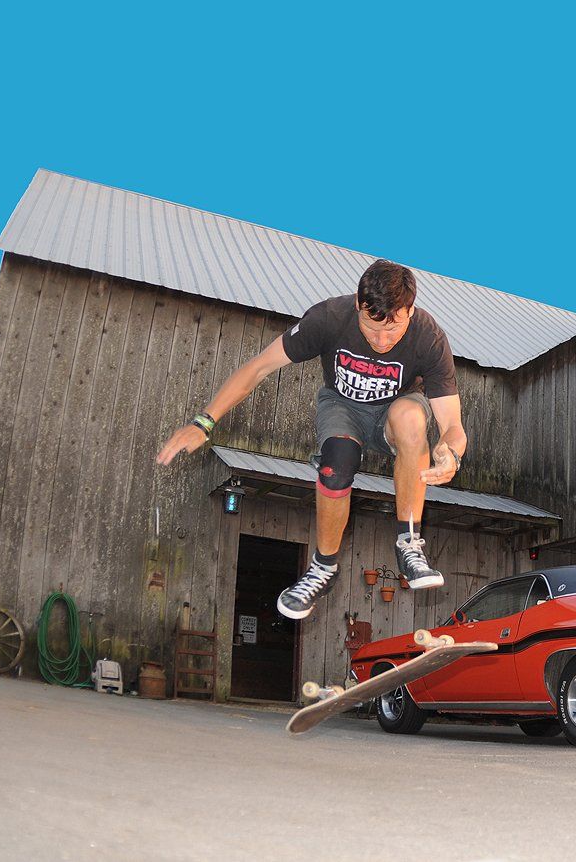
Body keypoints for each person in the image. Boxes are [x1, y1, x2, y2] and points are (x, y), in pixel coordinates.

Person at [156, 259, 466, 619]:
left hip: (395, 413)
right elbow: (259, 366)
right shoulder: (329, 318)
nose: (382, 341)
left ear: (410, 311)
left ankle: (409, 543)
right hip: (342, 406)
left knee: (411, 418)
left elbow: (452, 425)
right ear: (358, 304)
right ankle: (323, 567)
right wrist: (204, 421)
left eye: (393, 329)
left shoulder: (428, 336)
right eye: (371, 328)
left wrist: (451, 453)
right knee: (336, 463)